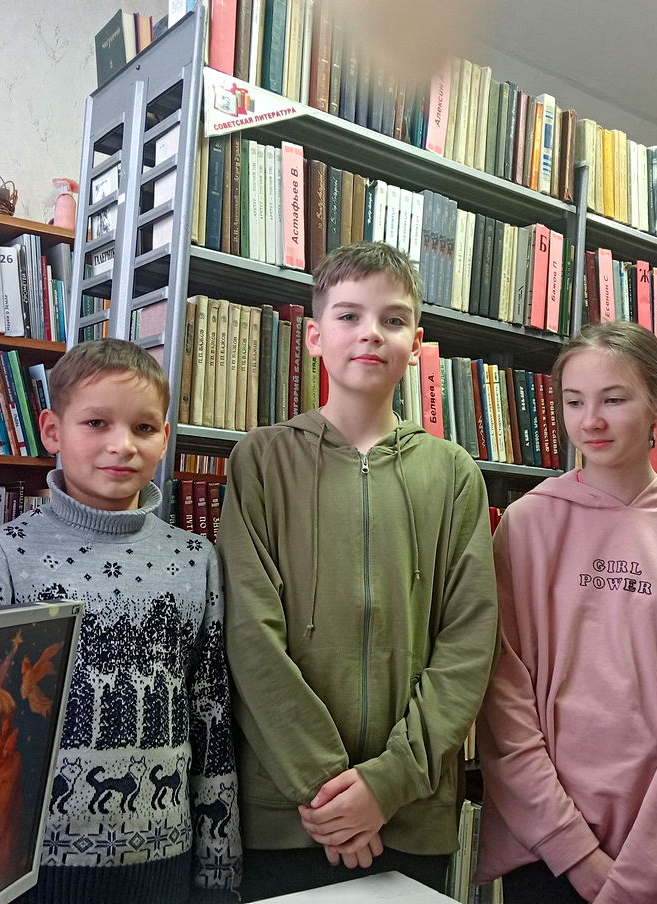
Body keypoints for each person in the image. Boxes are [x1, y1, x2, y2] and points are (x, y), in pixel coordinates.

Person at [217, 241, 498, 900]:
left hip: (411, 814)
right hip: (290, 815)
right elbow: (250, 635)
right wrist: (327, 791)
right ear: (315, 336)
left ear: (416, 344)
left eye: (392, 319)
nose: (371, 332)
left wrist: (384, 785)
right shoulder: (261, 461)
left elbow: (468, 643)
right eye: (349, 316)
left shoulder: (453, 474)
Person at [0, 338, 240, 904]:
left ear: (164, 437)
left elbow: (210, 716)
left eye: (143, 428)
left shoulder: (195, 560)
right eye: (96, 423)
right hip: (27, 872)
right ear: (52, 430)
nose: (121, 445)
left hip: (165, 865)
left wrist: (218, 870)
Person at [476, 321, 657, 904]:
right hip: (543, 851)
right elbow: (502, 699)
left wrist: (652, 863)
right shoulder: (526, 524)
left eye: (614, 399)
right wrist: (572, 849)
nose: (591, 421)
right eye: (574, 402)